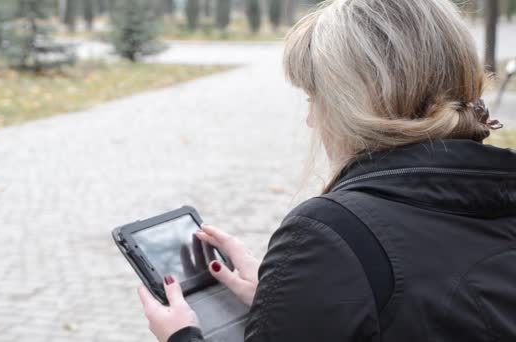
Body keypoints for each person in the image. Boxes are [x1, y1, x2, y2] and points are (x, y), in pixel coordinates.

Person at [136, 0, 516, 341]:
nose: (310, 121)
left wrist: (182, 337)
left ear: (353, 104)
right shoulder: (499, 197)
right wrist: (287, 296)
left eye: (314, 98)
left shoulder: (332, 233)